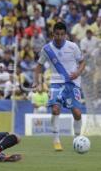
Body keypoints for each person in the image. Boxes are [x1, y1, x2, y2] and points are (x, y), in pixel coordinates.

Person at [33, 22, 86, 151]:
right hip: (56, 83)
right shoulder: (47, 49)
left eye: (62, 34)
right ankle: (56, 140)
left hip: (73, 83)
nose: (59, 37)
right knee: (55, 109)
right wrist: (36, 81)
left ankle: (77, 138)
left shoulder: (73, 47)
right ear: (53, 34)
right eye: (57, 34)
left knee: (77, 113)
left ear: (65, 35)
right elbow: (39, 66)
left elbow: (82, 61)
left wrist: (78, 72)